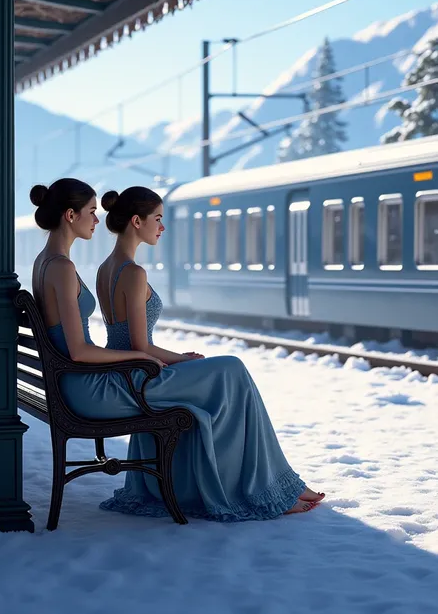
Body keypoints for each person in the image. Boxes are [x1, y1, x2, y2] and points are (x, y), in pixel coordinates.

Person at [96, 186, 325, 521]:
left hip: (130, 372)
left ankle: (279, 483)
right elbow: (139, 346)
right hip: (139, 375)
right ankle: (272, 487)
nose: (162, 227)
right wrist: (182, 359)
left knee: (232, 377)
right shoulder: (133, 272)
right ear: (136, 221)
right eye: (158, 219)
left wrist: (176, 359)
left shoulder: (107, 267)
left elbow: (128, 342)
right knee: (233, 371)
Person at [30, 178, 166, 424]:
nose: (96, 221)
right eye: (91, 212)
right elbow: (80, 351)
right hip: (88, 390)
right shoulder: (62, 267)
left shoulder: (43, 261)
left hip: (71, 383)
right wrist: (140, 356)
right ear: (71, 215)